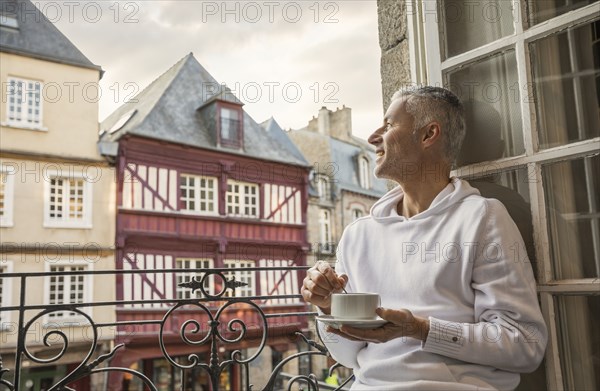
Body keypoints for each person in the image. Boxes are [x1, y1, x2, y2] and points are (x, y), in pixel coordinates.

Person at [301, 86, 547, 390]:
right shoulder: (358, 234)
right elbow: (346, 356)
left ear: (429, 134)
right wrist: (327, 306)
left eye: (389, 125)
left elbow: (524, 346)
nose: (373, 137)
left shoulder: (482, 218)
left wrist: (420, 330)